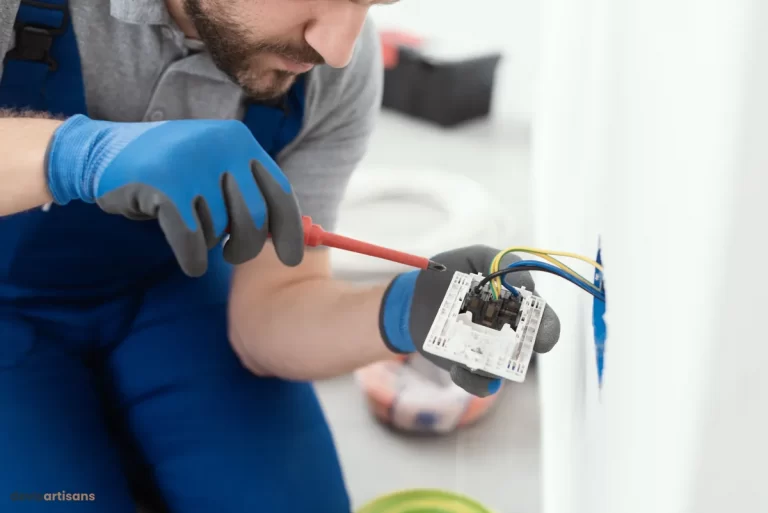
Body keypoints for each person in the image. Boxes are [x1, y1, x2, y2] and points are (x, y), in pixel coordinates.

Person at [0, 1, 562, 512]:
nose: (338, 47)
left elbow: (270, 316)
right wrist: (78, 155)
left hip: (171, 289)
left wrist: (400, 313)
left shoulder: (333, 69)